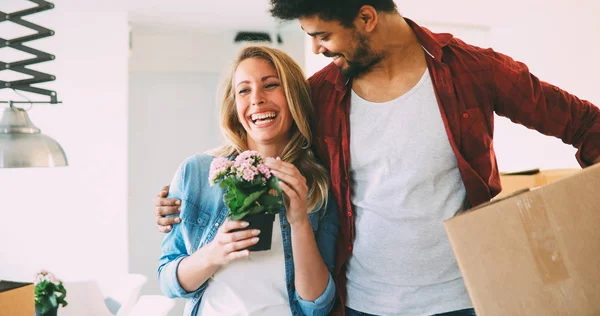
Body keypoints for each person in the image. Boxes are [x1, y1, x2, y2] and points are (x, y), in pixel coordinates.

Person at [155, 1, 600, 315]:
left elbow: (586, 125)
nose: (316, 50)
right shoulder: (321, 93)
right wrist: (185, 196)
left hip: (468, 298)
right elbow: (261, 137)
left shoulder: (473, 70)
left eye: (323, 35)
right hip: (363, 304)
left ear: (366, 17)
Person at [158, 45, 339, 316]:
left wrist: (299, 220)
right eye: (244, 90)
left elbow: (317, 305)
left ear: (293, 97)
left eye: (271, 85)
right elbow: (168, 281)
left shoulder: (319, 183)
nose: (256, 99)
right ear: (234, 105)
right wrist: (215, 252)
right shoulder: (196, 173)